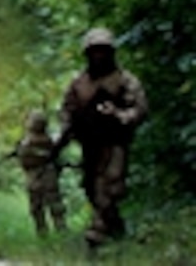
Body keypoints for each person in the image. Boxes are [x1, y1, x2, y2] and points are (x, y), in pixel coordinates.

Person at [52, 27, 148, 248]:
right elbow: (68, 110)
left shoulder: (124, 81)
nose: (99, 56)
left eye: (103, 51)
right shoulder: (79, 83)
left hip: (115, 141)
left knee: (111, 185)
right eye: (94, 51)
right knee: (91, 187)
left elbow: (140, 108)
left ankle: (97, 232)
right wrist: (63, 135)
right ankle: (115, 230)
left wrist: (119, 115)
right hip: (90, 142)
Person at [13, 109, 67, 236]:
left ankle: (50, 230)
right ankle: (50, 230)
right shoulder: (47, 140)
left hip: (40, 174)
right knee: (44, 205)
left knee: (46, 205)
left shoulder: (36, 141)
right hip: (43, 174)